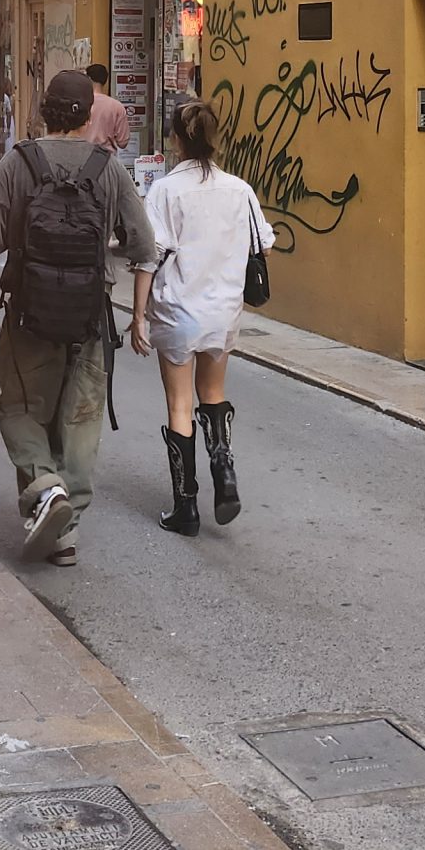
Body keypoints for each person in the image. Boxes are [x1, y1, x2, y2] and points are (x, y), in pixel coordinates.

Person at [0, 70, 158, 565]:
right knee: (79, 419)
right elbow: (144, 245)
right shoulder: (109, 168)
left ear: (44, 110)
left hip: (28, 316)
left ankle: (44, 487)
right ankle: (65, 532)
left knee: (21, 409)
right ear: (88, 116)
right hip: (89, 317)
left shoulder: (17, 163)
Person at [143, 100, 271, 535]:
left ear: (175, 140)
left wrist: (139, 314)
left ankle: (186, 507)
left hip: (178, 309)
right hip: (223, 311)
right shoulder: (240, 190)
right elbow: (263, 245)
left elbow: (150, 255)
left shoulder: (164, 191)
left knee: (180, 404)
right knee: (213, 392)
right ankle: (224, 468)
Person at [83, 61, 134, 152]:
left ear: (88, 78)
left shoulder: (81, 103)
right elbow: (123, 142)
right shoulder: (116, 106)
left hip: (83, 154)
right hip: (107, 156)